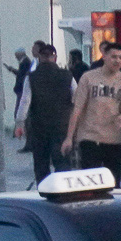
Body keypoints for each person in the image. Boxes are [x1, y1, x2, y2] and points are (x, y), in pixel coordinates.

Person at [66, 41, 121, 183]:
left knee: (113, 183)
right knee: (90, 183)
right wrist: (69, 137)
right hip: (90, 137)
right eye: (114, 57)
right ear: (104, 57)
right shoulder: (88, 77)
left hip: (115, 139)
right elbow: (77, 108)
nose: (117, 61)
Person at [19, 42, 74, 182]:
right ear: (54, 58)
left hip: (39, 127)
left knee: (41, 164)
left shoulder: (31, 77)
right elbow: (77, 98)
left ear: (39, 58)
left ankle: (44, 192)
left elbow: (25, 102)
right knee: (62, 163)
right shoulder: (67, 76)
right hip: (62, 126)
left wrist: (19, 123)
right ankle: (63, 191)